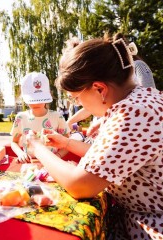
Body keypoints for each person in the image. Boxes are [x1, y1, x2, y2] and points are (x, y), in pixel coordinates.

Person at [28, 35, 163, 239]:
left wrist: (37, 147)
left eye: (77, 98)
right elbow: (112, 159)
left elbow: (80, 185)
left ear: (99, 89)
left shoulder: (132, 113)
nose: (81, 105)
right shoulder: (140, 101)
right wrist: (67, 143)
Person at [10, 72, 70, 163]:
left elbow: (68, 143)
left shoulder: (57, 117)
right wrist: (20, 154)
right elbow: (13, 142)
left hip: (53, 164)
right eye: (32, 100)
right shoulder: (20, 118)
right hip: (29, 164)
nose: (36, 103)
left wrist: (57, 156)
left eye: (40, 99)